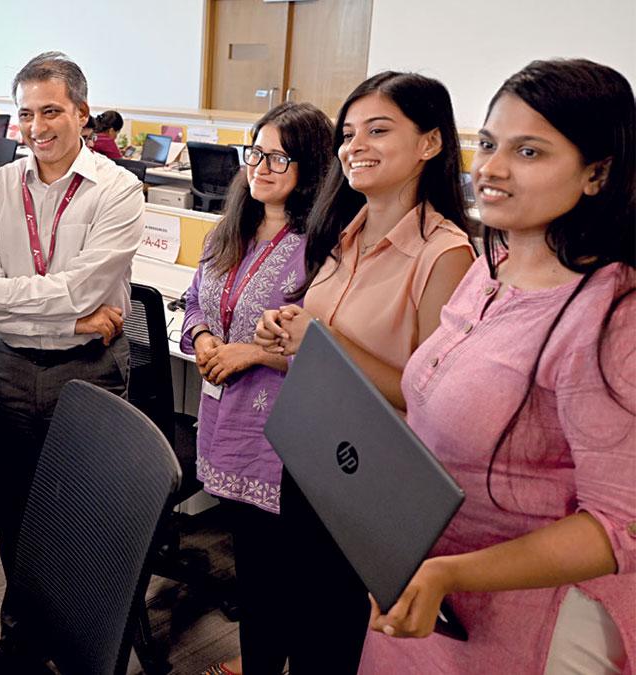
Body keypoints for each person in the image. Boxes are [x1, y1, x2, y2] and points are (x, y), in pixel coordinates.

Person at [360, 59, 635, 675]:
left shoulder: (611, 316)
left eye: (529, 152)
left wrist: (450, 571)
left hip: (526, 617)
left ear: (598, 173)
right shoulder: (492, 264)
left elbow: (616, 527)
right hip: (427, 584)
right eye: (487, 144)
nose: (490, 168)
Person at [254, 72, 476, 674]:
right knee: (300, 624)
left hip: (369, 482)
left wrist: (321, 340)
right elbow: (322, 336)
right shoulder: (341, 230)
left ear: (430, 143)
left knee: (334, 642)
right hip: (311, 458)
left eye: (379, 130)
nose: (354, 146)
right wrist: (290, 327)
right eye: (348, 134)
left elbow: (430, 399)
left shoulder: (447, 254)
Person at [0, 51, 144, 648]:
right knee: (14, 514)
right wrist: (65, 308)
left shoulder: (119, 190)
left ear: (82, 113)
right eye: (26, 113)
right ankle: (21, 640)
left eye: (52, 111)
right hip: (9, 369)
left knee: (86, 521)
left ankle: (82, 645)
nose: (38, 127)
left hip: (87, 372)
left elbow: (79, 287)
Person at [181, 102, 333, 675]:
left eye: (279, 156)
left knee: (283, 572)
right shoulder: (231, 229)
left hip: (279, 438)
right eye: (256, 153)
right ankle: (259, 660)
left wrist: (254, 352)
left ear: (311, 165)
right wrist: (199, 338)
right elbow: (195, 298)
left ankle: (270, 662)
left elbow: (327, 350)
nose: (261, 167)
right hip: (225, 422)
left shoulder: (323, 248)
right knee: (253, 566)